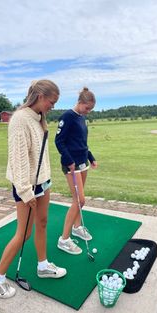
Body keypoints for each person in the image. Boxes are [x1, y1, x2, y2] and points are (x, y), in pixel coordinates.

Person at [0, 79, 67, 299]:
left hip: (42, 182)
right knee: (24, 233)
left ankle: (43, 266)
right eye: (52, 101)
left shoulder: (39, 117)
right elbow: (18, 158)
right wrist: (25, 191)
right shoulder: (21, 119)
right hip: (27, 186)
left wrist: (45, 181)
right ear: (40, 97)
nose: (53, 106)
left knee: (42, 223)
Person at [55, 87, 98, 255]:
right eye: (87, 108)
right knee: (79, 200)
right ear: (80, 102)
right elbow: (59, 141)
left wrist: (91, 156)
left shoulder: (81, 117)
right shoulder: (67, 117)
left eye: (91, 109)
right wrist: (69, 160)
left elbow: (81, 142)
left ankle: (77, 227)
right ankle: (64, 240)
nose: (88, 112)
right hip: (71, 165)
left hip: (83, 163)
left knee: (81, 201)